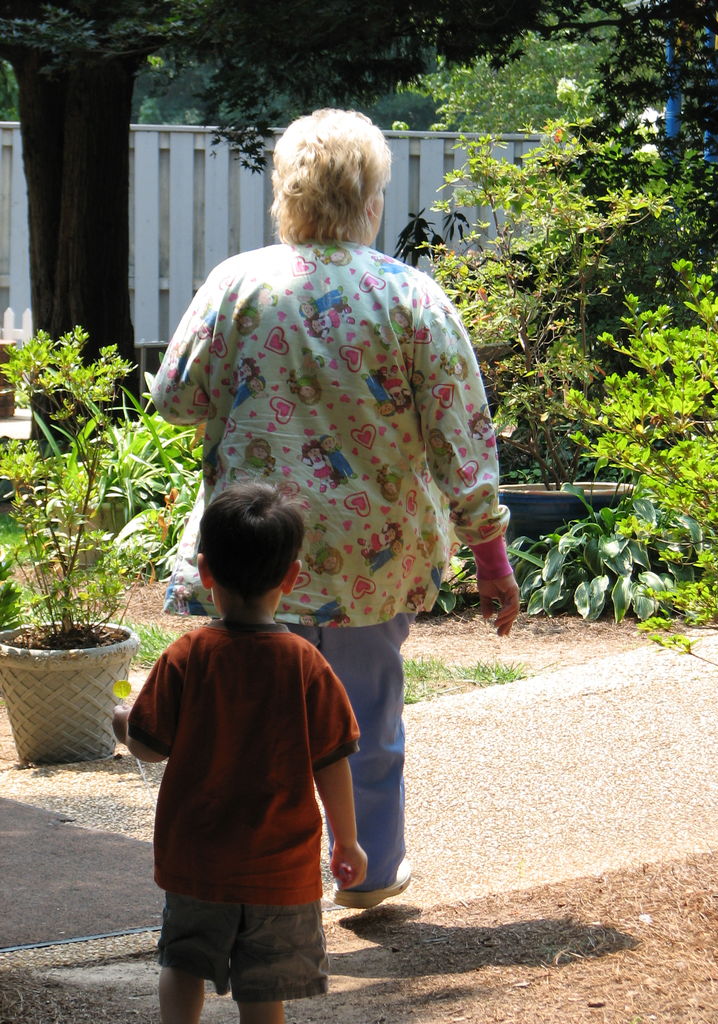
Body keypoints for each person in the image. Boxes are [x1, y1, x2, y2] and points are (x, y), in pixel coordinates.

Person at [151, 107, 520, 911]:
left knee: (252, 714)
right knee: (364, 718)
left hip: (256, 555)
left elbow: (175, 398)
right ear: (370, 197)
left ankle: (254, 876)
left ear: (287, 193)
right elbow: (463, 437)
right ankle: (370, 870)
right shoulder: (410, 296)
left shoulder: (238, 284)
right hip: (372, 558)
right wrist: (492, 560)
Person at [113, 483, 366, 1024]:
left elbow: (150, 748)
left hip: (197, 862)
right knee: (262, 985)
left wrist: (122, 725)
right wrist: (347, 840)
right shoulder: (305, 663)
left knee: (182, 962)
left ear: (204, 571)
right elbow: (333, 761)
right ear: (292, 578)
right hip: (282, 865)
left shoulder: (187, 656)